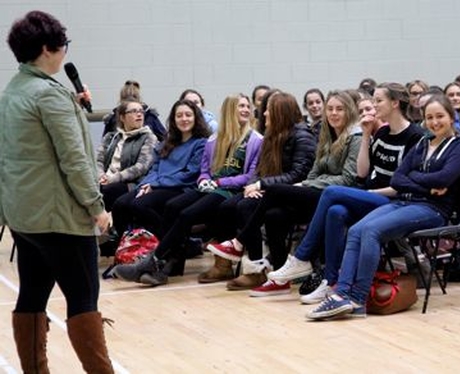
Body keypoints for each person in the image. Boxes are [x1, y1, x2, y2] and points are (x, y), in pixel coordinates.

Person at [0, 10, 113, 372]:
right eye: (63, 45)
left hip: (24, 216)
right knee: (83, 300)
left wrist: (74, 109)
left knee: (32, 295)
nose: (65, 51)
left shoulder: (12, 93)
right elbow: (74, 160)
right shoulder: (49, 96)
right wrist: (96, 206)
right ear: (48, 48)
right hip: (61, 218)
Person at [306, 94, 460, 320]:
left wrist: (417, 179)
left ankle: (358, 298)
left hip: (433, 210)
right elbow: (397, 179)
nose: (435, 122)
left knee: (372, 231)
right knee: (356, 230)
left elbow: (443, 179)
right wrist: (425, 182)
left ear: (451, 116)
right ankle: (341, 294)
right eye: (429, 117)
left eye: (440, 116)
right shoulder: (424, 143)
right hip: (406, 201)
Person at [267, 83, 424, 304]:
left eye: (378, 101)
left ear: (395, 103)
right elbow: (362, 173)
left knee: (331, 193)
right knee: (336, 211)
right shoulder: (381, 133)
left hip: (394, 200)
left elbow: (404, 185)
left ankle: (302, 257)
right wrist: (367, 135)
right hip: (372, 194)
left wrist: (370, 191)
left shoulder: (415, 136)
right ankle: (330, 281)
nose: (372, 107)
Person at [207, 90, 362, 296]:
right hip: (314, 191)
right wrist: (307, 183)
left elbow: (348, 178)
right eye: (330, 109)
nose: (333, 113)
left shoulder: (354, 137)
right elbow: (313, 172)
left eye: (339, 109)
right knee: (273, 215)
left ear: (349, 112)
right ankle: (280, 278)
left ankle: (238, 243)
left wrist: (306, 184)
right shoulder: (326, 136)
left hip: (336, 196)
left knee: (273, 191)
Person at [113, 94, 258, 286]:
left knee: (186, 214)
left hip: (229, 190)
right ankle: (163, 264)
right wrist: (205, 179)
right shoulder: (215, 140)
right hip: (208, 187)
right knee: (172, 206)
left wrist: (218, 183)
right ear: (230, 110)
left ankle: (154, 262)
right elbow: (204, 170)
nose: (246, 109)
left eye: (247, 106)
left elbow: (249, 176)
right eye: (241, 106)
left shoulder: (255, 140)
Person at [202, 92, 316, 289]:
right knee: (227, 206)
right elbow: (258, 168)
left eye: (268, 111)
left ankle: (255, 268)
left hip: (294, 196)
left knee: (256, 211)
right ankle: (228, 263)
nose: (264, 115)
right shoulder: (272, 135)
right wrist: (252, 186)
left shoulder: (302, 136)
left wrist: (262, 185)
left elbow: (298, 174)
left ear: (280, 113)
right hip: (271, 192)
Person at [110, 99, 210, 241]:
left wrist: (154, 185)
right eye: (179, 115)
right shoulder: (167, 143)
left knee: (139, 205)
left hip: (180, 187)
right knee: (120, 205)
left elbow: (189, 174)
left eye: (188, 115)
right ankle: (127, 247)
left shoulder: (201, 143)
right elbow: (154, 169)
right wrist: (145, 186)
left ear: (195, 118)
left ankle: (173, 242)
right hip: (156, 185)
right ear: (174, 119)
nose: (184, 119)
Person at [96, 100, 158, 211]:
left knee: (108, 190)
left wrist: (114, 178)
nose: (139, 114)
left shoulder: (149, 137)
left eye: (141, 111)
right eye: (133, 111)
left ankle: (111, 226)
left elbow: (141, 167)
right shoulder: (110, 137)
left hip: (130, 183)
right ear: (122, 117)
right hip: (105, 180)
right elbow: (98, 160)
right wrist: (100, 176)